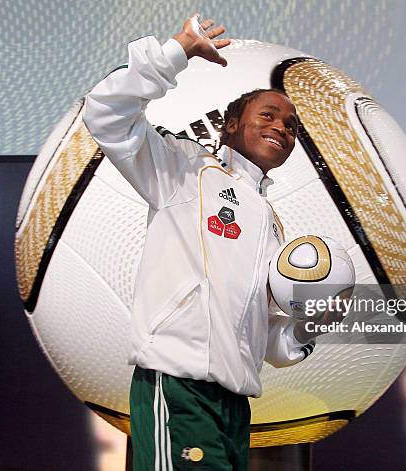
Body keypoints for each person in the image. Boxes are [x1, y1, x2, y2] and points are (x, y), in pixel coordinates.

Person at [83, 14, 330, 470]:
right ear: (231, 124)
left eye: (292, 124)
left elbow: (269, 342)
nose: (282, 127)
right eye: (269, 115)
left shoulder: (272, 228)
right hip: (178, 386)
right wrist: (175, 52)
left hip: (234, 406)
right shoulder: (186, 169)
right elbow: (105, 115)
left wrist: (312, 323)